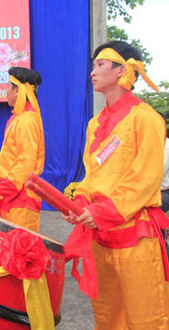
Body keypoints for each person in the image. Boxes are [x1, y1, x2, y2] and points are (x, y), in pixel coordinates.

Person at [63, 40, 169, 329]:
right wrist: (81, 203)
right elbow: (92, 176)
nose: (92, 72)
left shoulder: (146, 118)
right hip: (101, 237)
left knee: (147, 321)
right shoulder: (94, 125)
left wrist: (101, 212)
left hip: (135, 237)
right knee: (108, 320)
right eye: (93, 65)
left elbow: (145, 180)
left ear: (122, 70)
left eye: (100, 65)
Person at [0, 67, 45, 232]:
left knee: (19, 251)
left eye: (8, 87)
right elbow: (15, 159)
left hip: (21, 199)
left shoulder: (27, 120)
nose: (5, 90)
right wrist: (0, 179)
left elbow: (26, 163)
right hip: (13, 194)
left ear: (17, 90)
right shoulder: (18, 118)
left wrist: (0, 189)